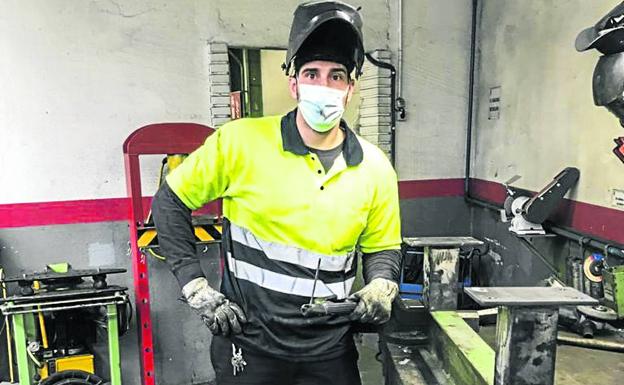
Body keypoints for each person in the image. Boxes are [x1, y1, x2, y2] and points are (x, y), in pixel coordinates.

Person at [151, 1, 402, 384]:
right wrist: (195, 285)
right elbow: (169, 203)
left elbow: (382, 246)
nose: (324, 86)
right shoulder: (240, 143)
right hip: (250, 347)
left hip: (330, 351)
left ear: (351, 88)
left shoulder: (375, 167)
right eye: (312, 73)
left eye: (337, 76)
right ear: (294, 83)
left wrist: (382, 285)